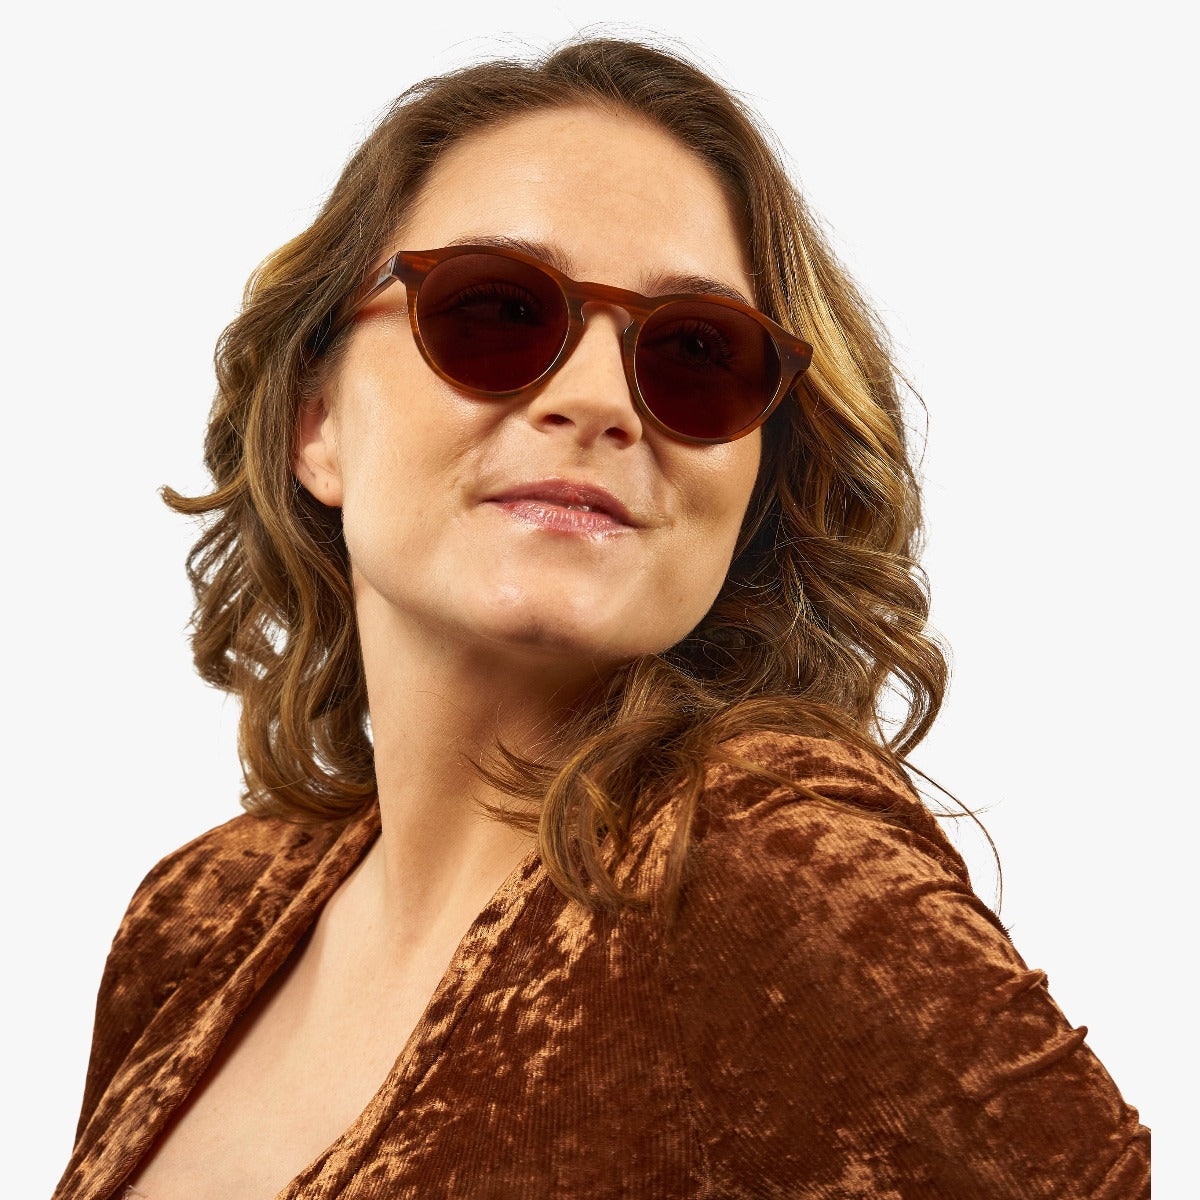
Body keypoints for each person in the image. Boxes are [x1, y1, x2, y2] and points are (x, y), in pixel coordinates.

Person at [53, 36, 1149, 1200]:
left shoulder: (767, 863)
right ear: (313, 423)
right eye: (495, 310)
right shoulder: (193, 920)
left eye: (695, 351)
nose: (597, 401)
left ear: (757, 480)